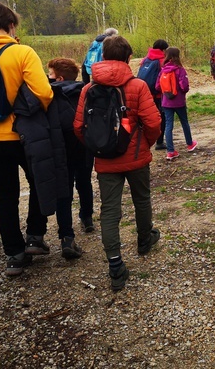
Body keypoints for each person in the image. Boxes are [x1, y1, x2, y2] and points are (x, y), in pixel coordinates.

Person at [0, 1, 54, 277]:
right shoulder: (22, 52)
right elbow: (44, 92)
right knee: (39, 183)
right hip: (21, 134)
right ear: (11, 24)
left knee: (5, 195)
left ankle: (14, 255)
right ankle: (35, 237)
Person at [73, 36, 162, 291]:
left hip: (105, 159)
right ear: (127, 57)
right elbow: (154, 123)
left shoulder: (88, 88)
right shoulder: (138, 86)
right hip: (135, 156)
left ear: (103, 56)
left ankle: (115, 265)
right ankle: (145, 240)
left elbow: (79, 126)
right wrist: (146, 142)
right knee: (142, 199)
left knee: (110, 210)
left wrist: (97, 146)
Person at [48, 58, 94, 253]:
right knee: (84, 181)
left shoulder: (51, 95)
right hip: (84, 146)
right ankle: (87, 217)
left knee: (63, 191)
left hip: (60, 149)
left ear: (58, 78)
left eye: (49, 75)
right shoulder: (86, 92)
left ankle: (67, 236)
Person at [160, 47, 198, 160]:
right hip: (179, 102)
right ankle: (190, 144)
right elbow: (184, 86)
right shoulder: (180, 69)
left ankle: (170, 151)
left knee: (168, 125)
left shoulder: (163, 70)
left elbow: (158, 86)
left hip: (166, 102)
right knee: (184, 122)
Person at [139, 39, 169, 149]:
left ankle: (144, 140)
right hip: (159, 95)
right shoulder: (162, 60)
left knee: (147, 117)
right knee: (162, 117)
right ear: (163, 49)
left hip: (145, 93)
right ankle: (160, 142)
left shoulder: (145, 59)